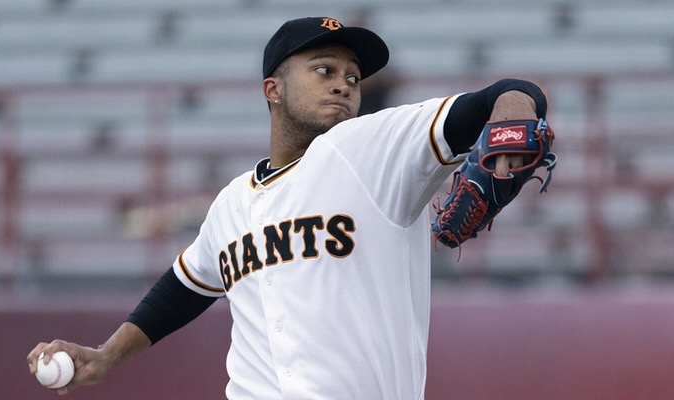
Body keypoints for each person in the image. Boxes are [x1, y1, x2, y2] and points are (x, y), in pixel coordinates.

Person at [27, 16, 548, 399]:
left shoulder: (372, 149)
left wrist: (512, 120)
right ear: (272, 89)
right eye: (324, 69)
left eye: (352, 77)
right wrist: (106, 355)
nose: (343, 83)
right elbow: (184, 287)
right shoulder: (232, 203)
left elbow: (508, 94)